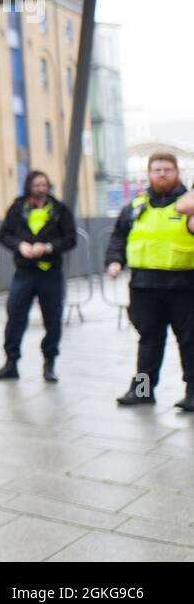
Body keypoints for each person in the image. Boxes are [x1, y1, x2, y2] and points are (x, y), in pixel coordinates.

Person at [107, 152, 194, 411]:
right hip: (144, 285)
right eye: (157, 170)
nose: (162, 174)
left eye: (167, 169)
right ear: (149, 174)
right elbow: (118, 237)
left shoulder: (189, 204)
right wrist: (114, 261)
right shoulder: (136, 206)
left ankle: (192, 393)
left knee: (190, 342)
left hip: (184, 284)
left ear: (177, 173)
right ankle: (143, 391)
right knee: (148, 341)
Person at [0, 171, 77, 382]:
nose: (41, 188)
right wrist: (20, 246)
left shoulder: (59, 209)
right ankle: (11, 363)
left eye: (44, 184)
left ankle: (49, 364)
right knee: (15, 315)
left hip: (50, 273)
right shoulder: (18, 207)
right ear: (29, 186)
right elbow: (4, 235)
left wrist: (47, 247)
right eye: (37, 184)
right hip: (25, 272)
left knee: (52, 319)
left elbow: (70, 239)